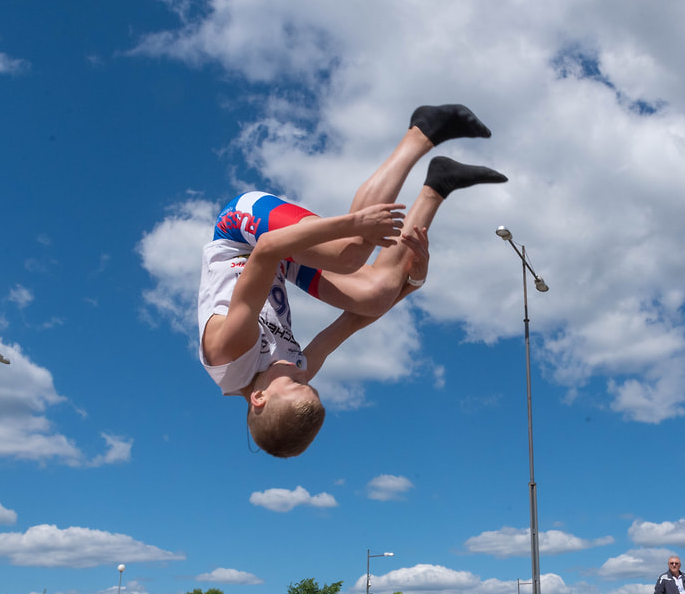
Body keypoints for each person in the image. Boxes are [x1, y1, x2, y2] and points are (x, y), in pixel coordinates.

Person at [198, 104, 504, 458]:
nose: (302, 374)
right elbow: (354, 321)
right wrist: (413, 282)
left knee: (349, 251)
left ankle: (422, 131)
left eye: (296, 383)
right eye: (307, 384)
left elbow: (266, 250)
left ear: (259, 398)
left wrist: (353, 225)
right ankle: (438, 185)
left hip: (241, 231)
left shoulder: (228, 352)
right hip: (280, 262)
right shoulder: (293, 373)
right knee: (376, 295)